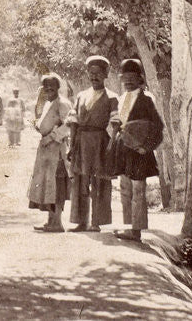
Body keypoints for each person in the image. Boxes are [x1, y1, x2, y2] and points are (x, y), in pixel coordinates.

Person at [108, 59, 164, 241]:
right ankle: (127, 227)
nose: (128, 81)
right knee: (125, 188)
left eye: (132, 77)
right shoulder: (122, 98)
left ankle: (137, 230)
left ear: (140, 79)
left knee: (138, 190)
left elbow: (157, 126)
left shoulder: (146, 99)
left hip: (139, 152)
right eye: (125, 77)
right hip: (124, 149)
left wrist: (146, 147)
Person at [66, 55, 119, 232]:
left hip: (100, 143)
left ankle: (96, 222)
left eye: (98, 73)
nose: (94, 77)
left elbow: (115, 124)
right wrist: (71, 145)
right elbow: (73, 122)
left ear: (105, 75)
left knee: (99, 183)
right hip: (82, 141)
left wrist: (112, 146)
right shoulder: (81, 96)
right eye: (91, 73)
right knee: (80, 182)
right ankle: (81, 221)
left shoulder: (112, 97)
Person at [27, 74, 73, 232]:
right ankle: (50, 221)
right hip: (45, 151)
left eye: (51, 87)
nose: (49, 90)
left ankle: (57, 222)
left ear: (58, 87)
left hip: (57, 151)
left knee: (57, 185)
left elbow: (69, 125)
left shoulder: (64, 104)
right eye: (46, 88)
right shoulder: (48, 103)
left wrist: (53, 136)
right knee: (47, 185)